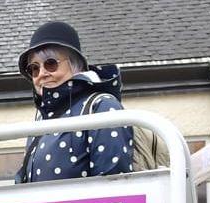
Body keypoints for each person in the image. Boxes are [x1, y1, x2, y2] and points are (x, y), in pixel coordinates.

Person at [15, 21, 134, 183]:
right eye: (34, 68)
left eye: (50, 63)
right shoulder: (41, 119)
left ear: (75, 65)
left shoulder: (102, 106)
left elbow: (114, 186)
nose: (41, 73)